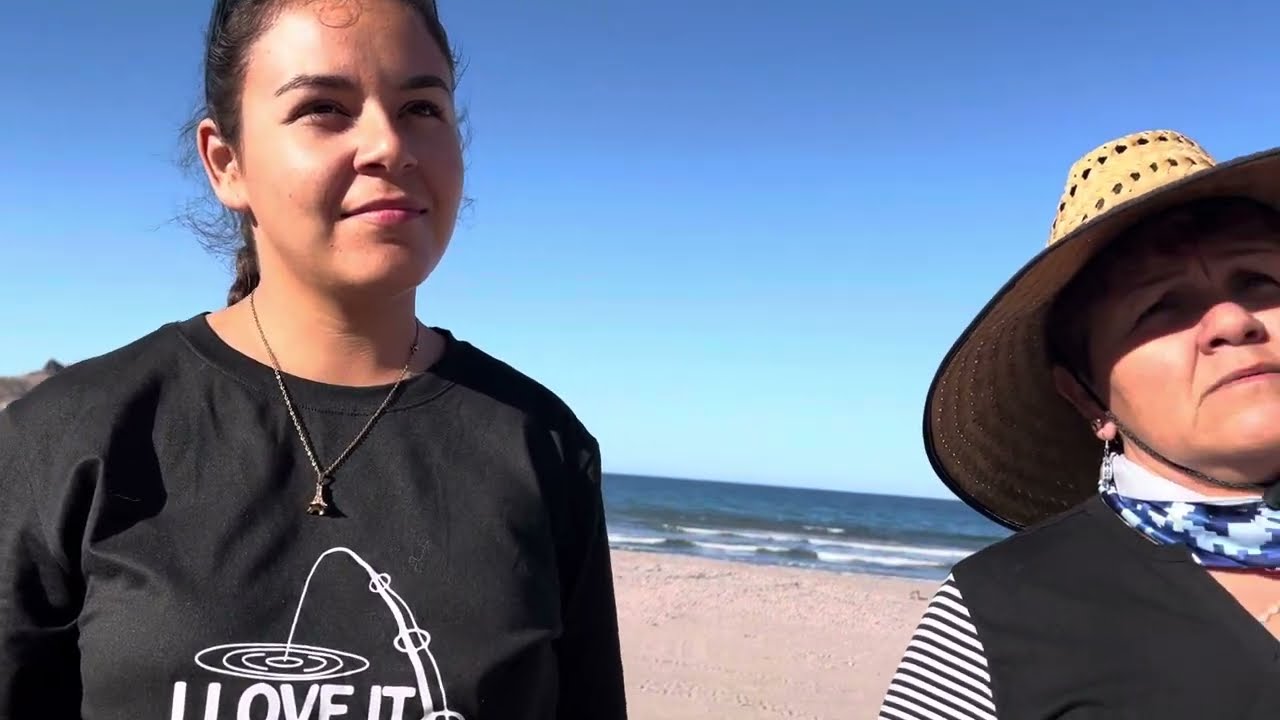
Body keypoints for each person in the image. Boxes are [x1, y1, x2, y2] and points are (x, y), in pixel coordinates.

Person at [0, 1, 628, 718]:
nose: (389, 145)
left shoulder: (541, 446)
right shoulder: (66, 442)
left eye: (422, 106)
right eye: (325, 107)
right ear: (226, 163)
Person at [877, 129, 1280, 719]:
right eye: (1160, 306)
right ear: (1088, 399)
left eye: (1261, 281)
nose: (1230, 320)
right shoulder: (997, 615)